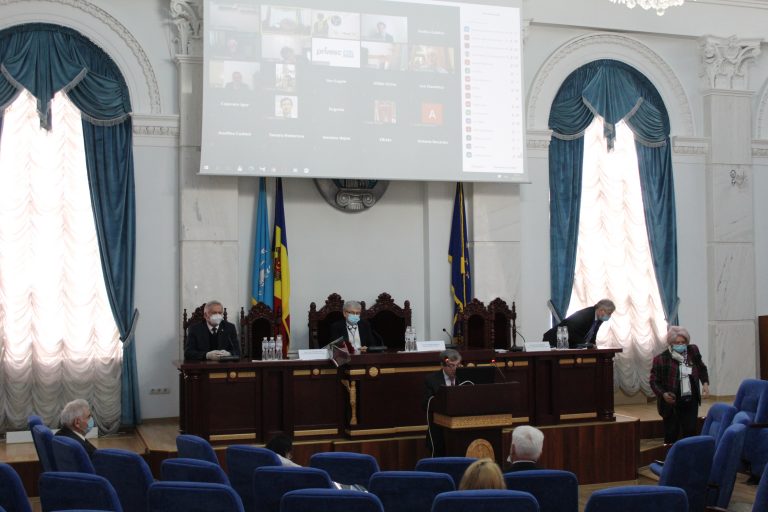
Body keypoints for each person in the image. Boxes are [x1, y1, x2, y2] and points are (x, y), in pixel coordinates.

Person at [650, 326, 710, 444]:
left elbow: (701, 368)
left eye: (683, 342)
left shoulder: (693, 351)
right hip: (671, 401)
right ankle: (671, 455)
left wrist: (705, 383)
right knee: (672, 433)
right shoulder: (661, 359)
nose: (681, 345)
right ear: (671, 343)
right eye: (677, 343)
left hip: (690, 398)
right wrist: (663, 394)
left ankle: (689, 454)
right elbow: (654, 381)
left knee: (690, 430)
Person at [422, 349, 462, 456]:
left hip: (461, 429)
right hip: (439, 431)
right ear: (442, 365)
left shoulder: (464, 378)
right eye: (451, 366)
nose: (455, 369)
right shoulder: (431, 380)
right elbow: (426, 404)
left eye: (457, 365)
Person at [542, 298, 615, 348]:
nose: (609, 315)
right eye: (609, 313)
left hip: (567, 341)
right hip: (555, 339)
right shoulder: (587, 314)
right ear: (602, 310)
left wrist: (592, 345)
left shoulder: (599, 318)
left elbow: (593, 334)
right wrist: (586, 344)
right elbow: (571, 331)